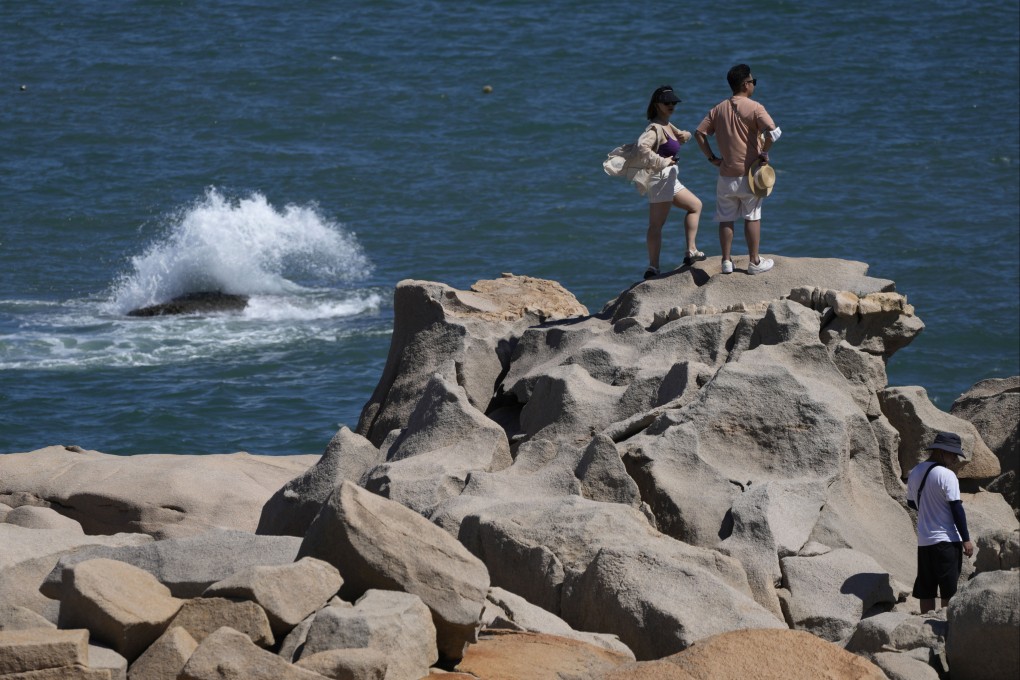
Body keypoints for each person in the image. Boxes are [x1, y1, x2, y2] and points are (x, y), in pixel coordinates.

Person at [694, 64, 780, 275]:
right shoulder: (755, 108)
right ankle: (754, 261)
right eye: (753, 82)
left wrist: (712, 158)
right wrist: (763, 153)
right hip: (750, 175)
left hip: (725, 174)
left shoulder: (718, 109)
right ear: (745, 84)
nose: (754, 85)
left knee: (725, 217)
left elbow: (699, 134)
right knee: (752, 215)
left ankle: (726, 261)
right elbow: (775, 132)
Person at [635, 85, 705, 279]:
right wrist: (662, 161)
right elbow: (642, 147)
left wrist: (686, 135)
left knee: (695, 205)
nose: (671, 105)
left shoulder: (667, 124)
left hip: (671, 179)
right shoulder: (655, 127)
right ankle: (653, 267)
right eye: (667, 103)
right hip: (661, 178)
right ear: (657, 105)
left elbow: (681, 136)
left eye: (674, 102)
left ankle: (691, 251)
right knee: (656, 224)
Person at [905, 431, 975, 614]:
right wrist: (966, 539)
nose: (955, 459)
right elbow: (956, 509)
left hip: (925, 541)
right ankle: (945, 627)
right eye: (953, 454)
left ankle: (925, 622)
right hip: (947, 541)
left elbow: (911, 502)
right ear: (941, 452)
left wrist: (929, 505)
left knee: (926, 589)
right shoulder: (947, 475)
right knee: (949, 590)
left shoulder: (915, 472)